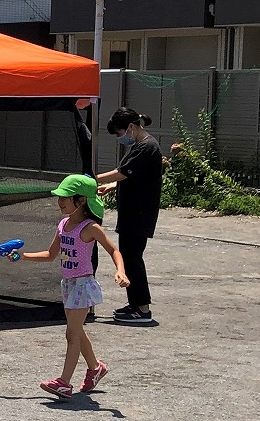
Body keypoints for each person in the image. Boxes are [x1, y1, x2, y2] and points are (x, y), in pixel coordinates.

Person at [19, 174, 129, 399]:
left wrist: (121, 271)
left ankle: (64, 382)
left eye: (65, 198)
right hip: (68, 284)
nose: (60, 202)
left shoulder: (90, 228)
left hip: (82, 285)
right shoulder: (63, 225)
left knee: (72, 333)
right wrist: (22, 256)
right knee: (77, 331)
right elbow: (51, 255)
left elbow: (114, 251)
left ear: (80, 202)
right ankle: (95, 368)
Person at [97, 107, 163, 324]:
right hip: (134, 212)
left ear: (131, 128)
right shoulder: (141, 146)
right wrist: (112, 186)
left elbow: (123, 172)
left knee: (132, 257)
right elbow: (132, 177)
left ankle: (142, 308)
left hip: (139, 212)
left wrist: (92, 178)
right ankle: (136, 304)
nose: (120, 138)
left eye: (119, 133)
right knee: (129, 255)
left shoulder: (146, 147)